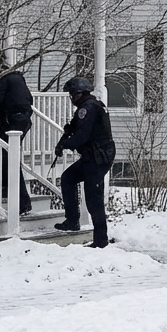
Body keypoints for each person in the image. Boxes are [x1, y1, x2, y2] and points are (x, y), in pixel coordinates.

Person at [53, 77, 115, 248]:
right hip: (93, 156)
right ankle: (72, 220)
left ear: (78, 94)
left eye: (71, 94)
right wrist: (67, 135)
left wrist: (65, 145)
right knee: (68, 178)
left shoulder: (88, 108)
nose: (71, 98)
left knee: (93, 199)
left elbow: (82, 136)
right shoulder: (91, 105)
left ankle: (100, 240)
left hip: (97, 158)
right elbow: (75, 128)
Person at [0, 61, 33, 215]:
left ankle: (23, 202)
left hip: (11, 122)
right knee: (0, 156)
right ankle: (6, 189)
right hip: (22, 121)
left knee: (7, 159)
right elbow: (29, 99)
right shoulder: (18, 78)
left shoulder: (2, 79)